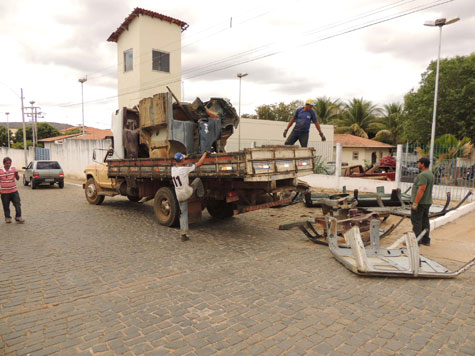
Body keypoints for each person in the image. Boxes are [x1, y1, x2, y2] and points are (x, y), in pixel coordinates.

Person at [171, 151, 208, 241]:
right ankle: (201, 195)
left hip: (179, 195)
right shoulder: (184, 169)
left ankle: (184, 234)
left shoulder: (173, 169)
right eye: (183, 158)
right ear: (182, 160)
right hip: (187, 192)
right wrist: (205, 154)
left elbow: (181, 165)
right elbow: (199, 164)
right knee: (197, 180)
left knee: (183, 213)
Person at [410, 157, 434, 246]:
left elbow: (421, 189)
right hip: (427, 202)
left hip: (420, 203)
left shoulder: (423, 175)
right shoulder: (430, 174)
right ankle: (426, 240)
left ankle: (416, 242)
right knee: (425, 221)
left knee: (417, 221)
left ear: (422, 164)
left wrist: (416, 202)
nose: (417, 164)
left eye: (418, 163)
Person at [1, 157, 25, 224]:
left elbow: (17, 179)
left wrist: (16, 174)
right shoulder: (0, 171)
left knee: (17, 204)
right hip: (4, 192)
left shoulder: (13, 169)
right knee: (6, 206)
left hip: (14, 191)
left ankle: (18, 217)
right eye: (7, 163)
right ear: (4, 163)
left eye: (9, 163)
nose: (8, 164)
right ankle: (8, 218)